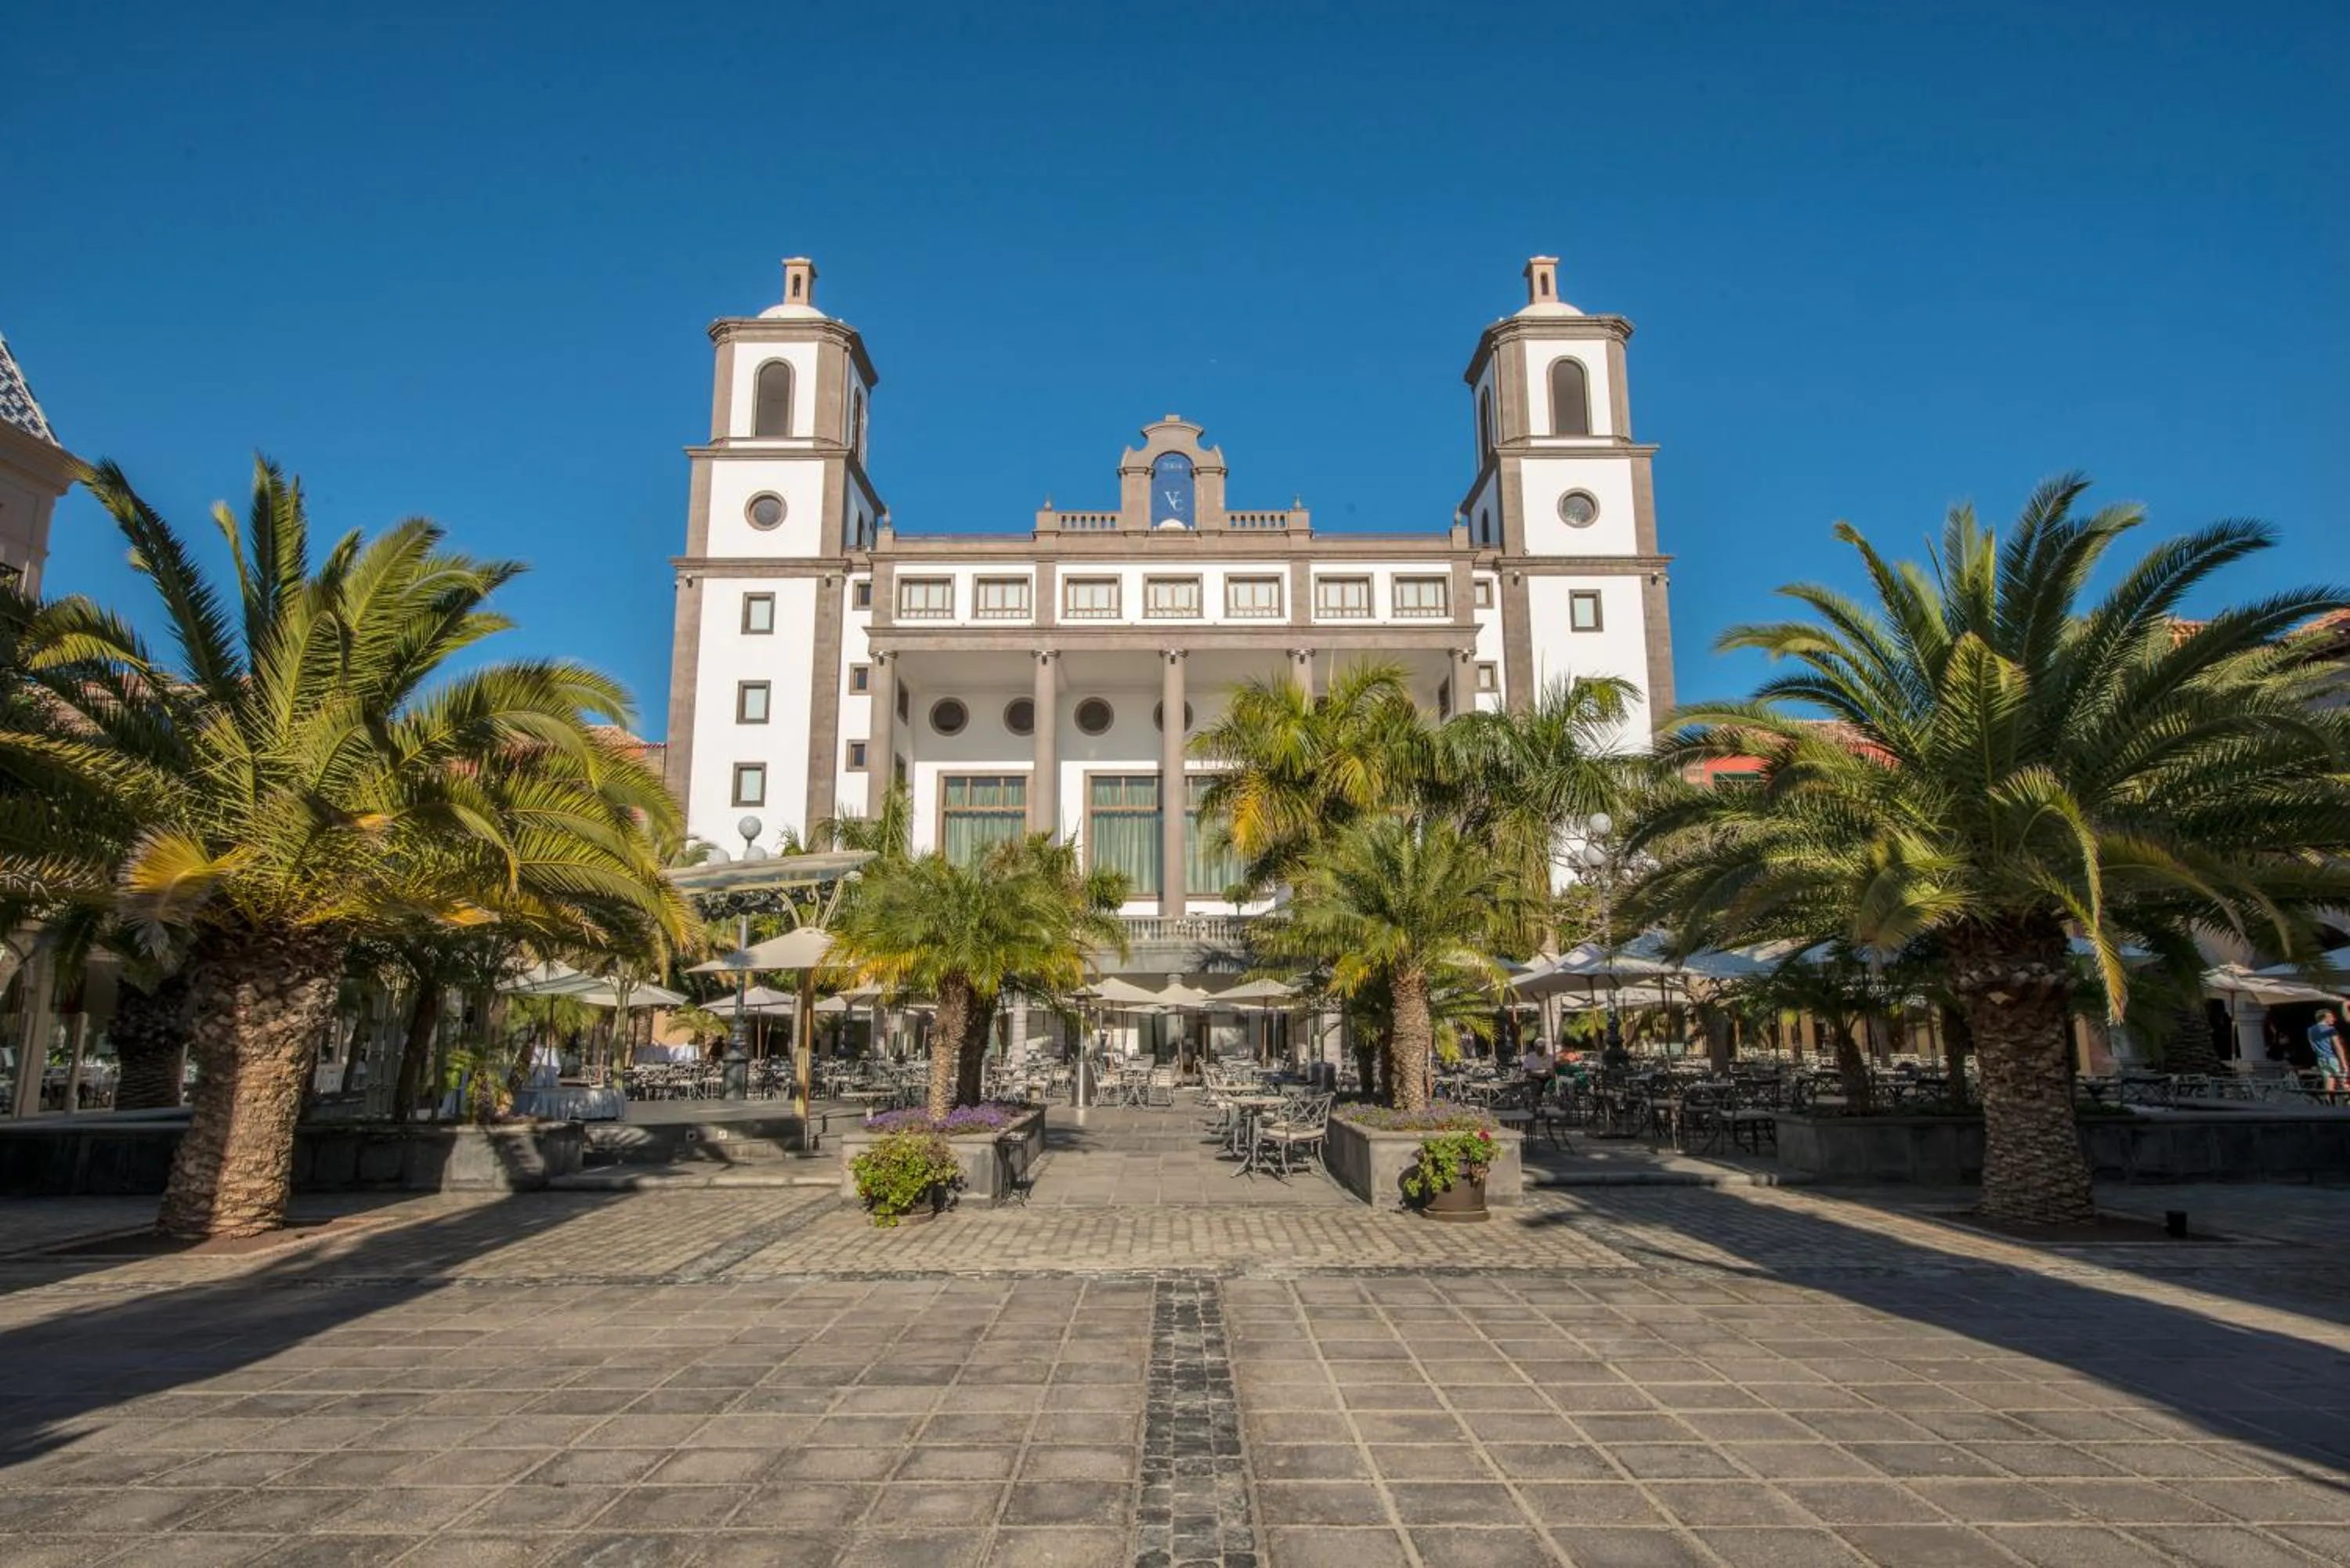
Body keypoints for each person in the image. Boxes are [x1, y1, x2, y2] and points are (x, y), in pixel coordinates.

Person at [2309, 1009, 2345, 1093]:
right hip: (2332, 1058)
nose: (2334, 1019)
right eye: (2332, 1017)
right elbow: (2338, 1047)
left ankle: (2329, 1104)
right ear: (2326, 1017)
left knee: (2329, 1084)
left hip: (2321, 1059)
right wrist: (2344, 1063)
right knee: (2344, 1082)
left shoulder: (2310, 1030)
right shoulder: (2330, 1030)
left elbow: (2313, 1046)